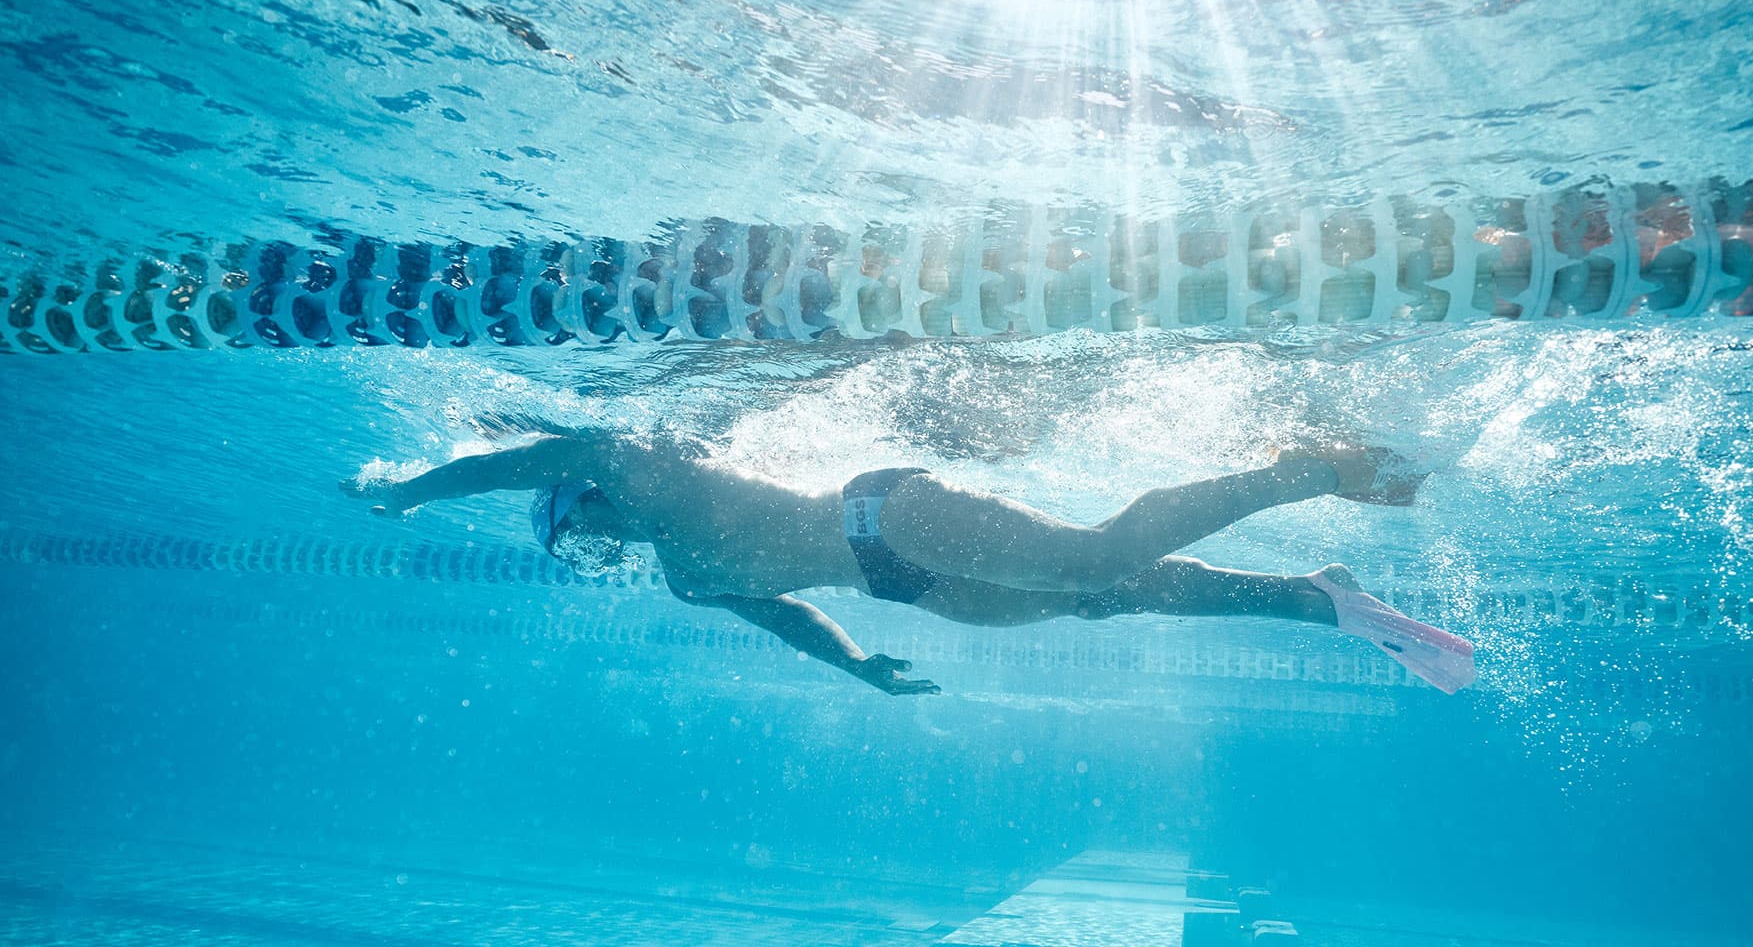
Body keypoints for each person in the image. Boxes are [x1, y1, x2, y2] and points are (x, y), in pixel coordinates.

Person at [343, 433, 1475, 694]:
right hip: (900, 588)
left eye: (568, 526)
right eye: (571, 549)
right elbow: (783, 617)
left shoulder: (649, 474)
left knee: (1094, 559)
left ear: (580, 503)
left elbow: (530, 453)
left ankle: (1312, 465)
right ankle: (1320, 602)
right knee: (1099, 604)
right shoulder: (683, 575)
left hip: (886, 515)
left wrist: (405, 492)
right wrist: (859, 668)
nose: (587, 545)